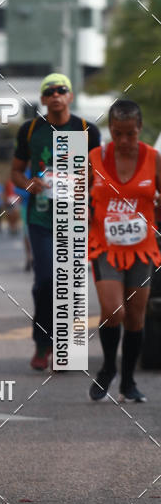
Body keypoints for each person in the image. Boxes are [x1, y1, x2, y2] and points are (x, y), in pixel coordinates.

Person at [11, 73, 101, 370]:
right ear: (43, 98)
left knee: (72, 282)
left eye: (61, 90)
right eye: (49, 91)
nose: (55, 95)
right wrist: (28, 185)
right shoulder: (31, 129)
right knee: (46, 280)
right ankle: (42, 343)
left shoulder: (86, 129)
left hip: (75, 217)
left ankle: (70, 350)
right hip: (40, 218)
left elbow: (97, 172)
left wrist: (81, 180)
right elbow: (16, 173)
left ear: (70, 96)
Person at [88, 99, 161, 403]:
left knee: (135, 317)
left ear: (140, 129)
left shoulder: (153, 158)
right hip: (105, 245)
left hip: (142, 248)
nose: (124, 141)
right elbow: (77, 198)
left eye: (130, 134)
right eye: (117, 134)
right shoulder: (94, 157)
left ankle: (128, 380)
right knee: (114, 310)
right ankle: (107, 367)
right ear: (111, 131)